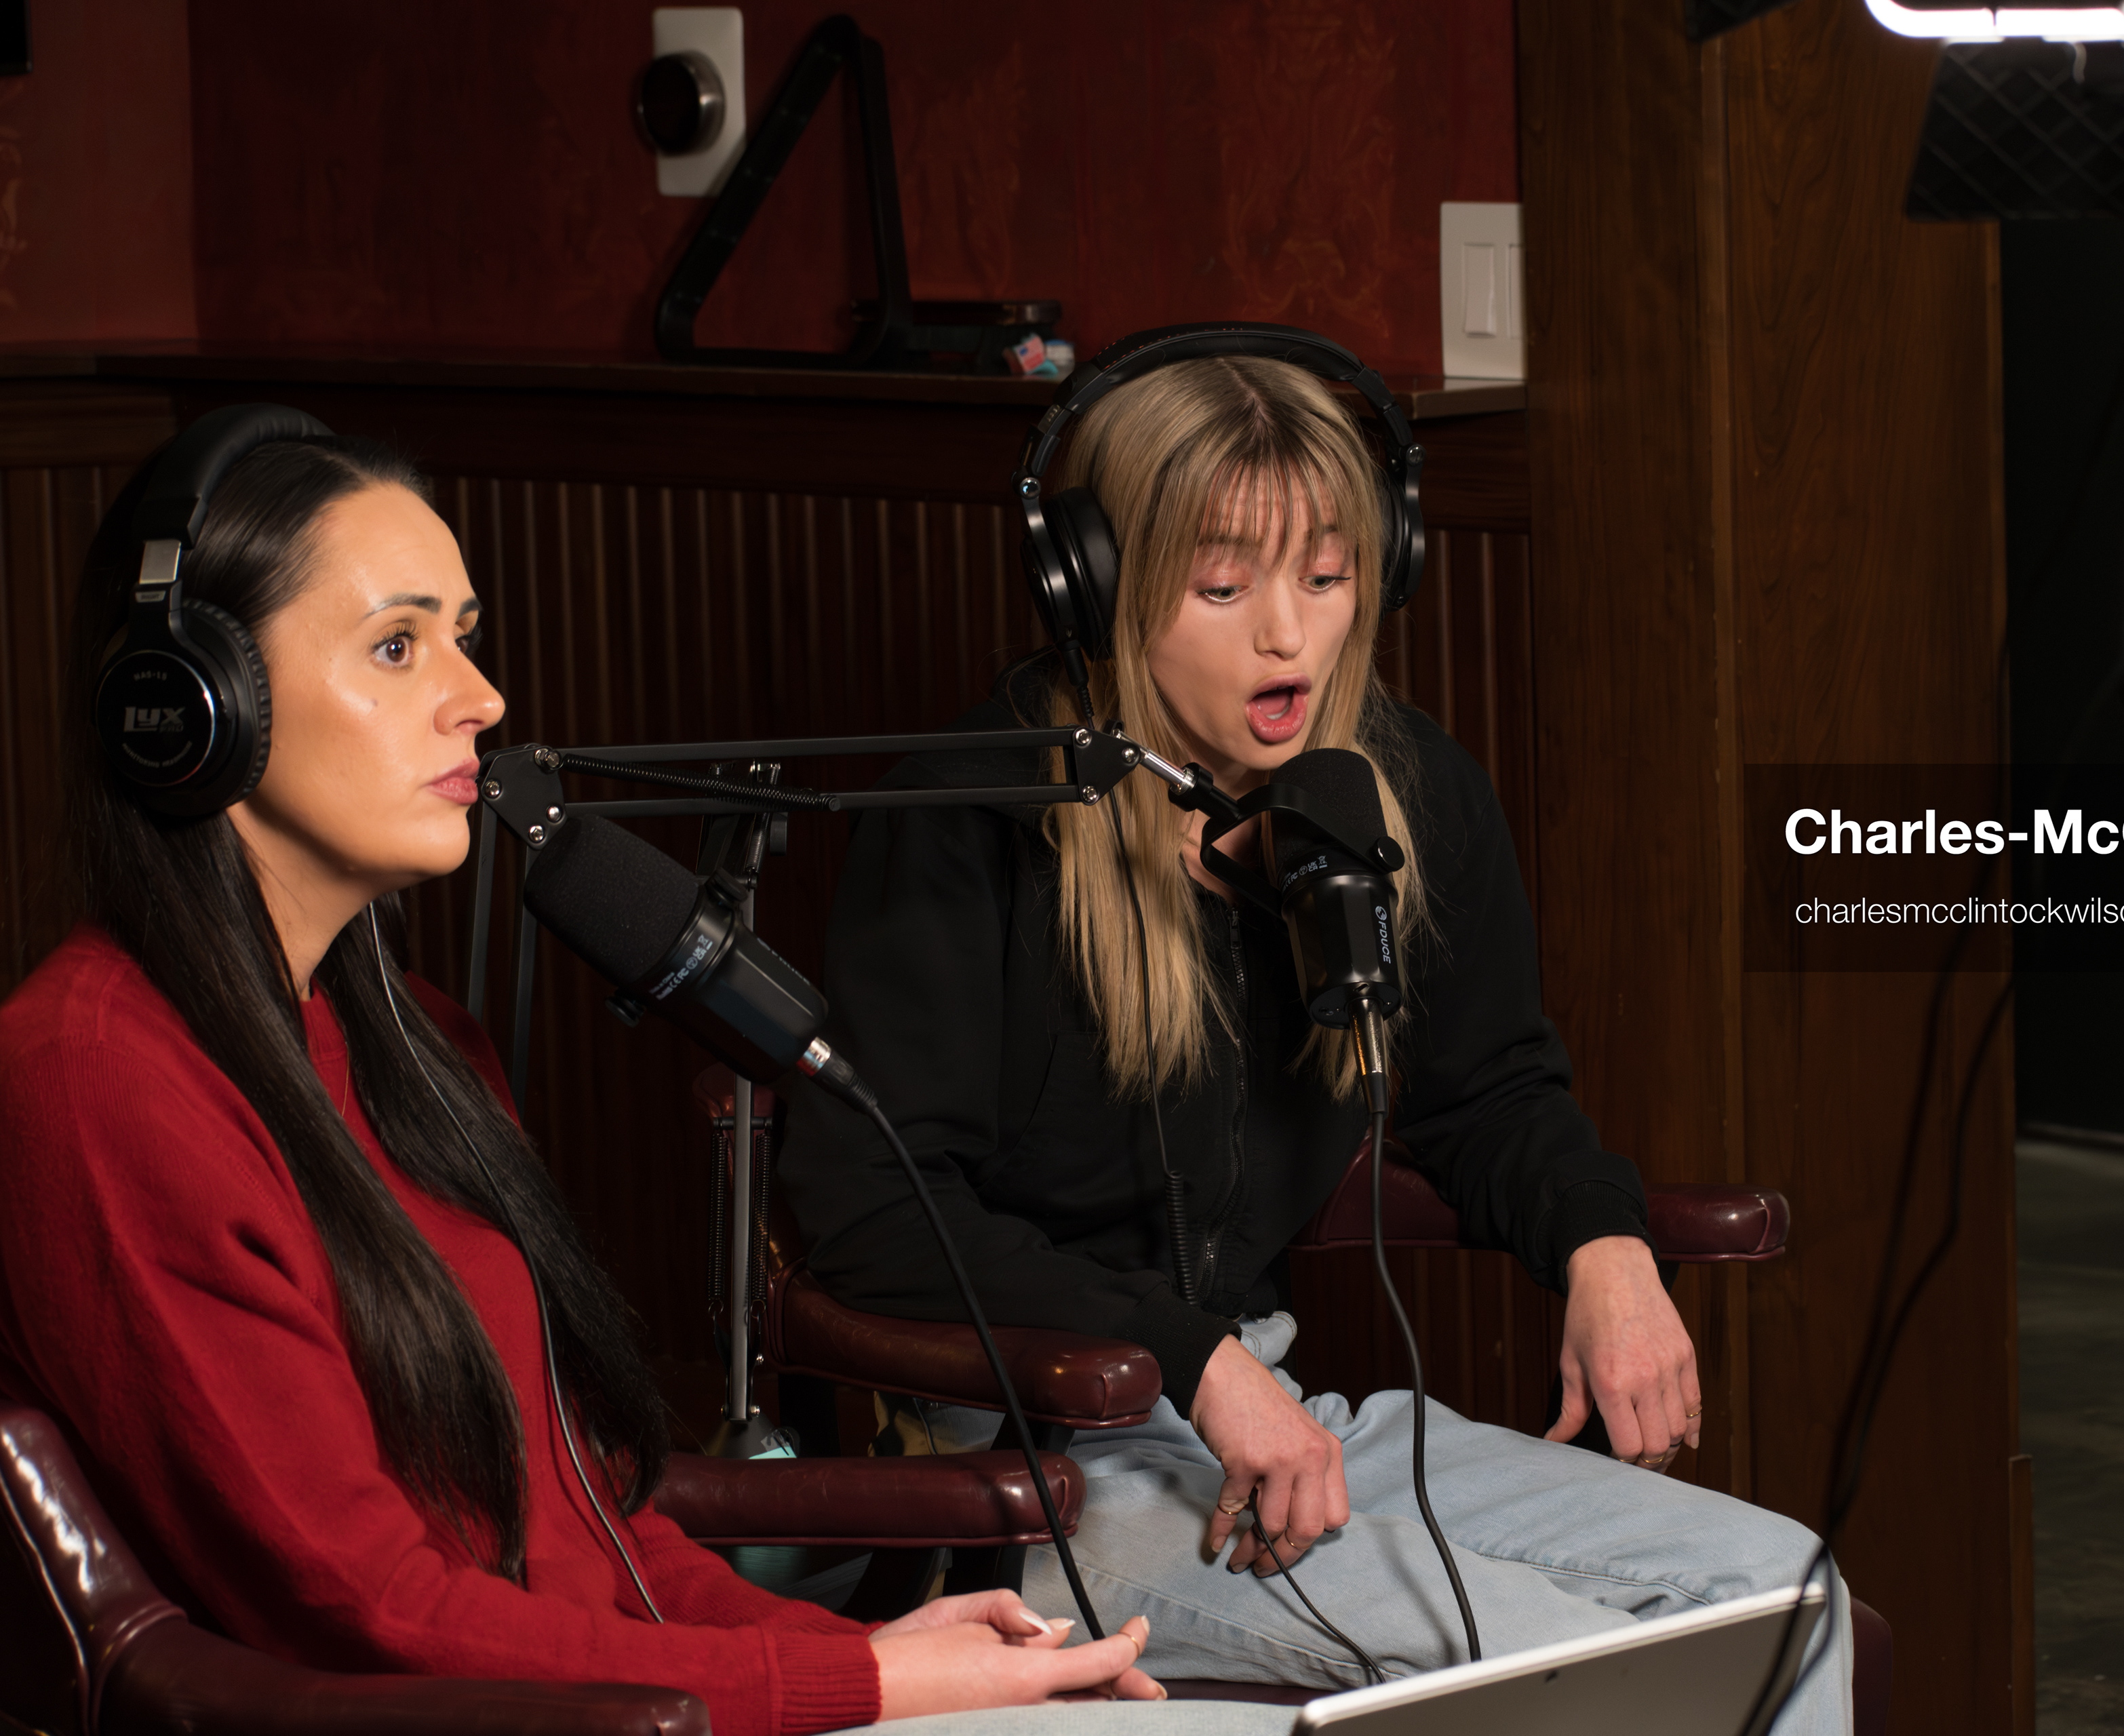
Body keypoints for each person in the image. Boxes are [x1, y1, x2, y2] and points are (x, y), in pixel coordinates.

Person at [0, 423, 1294, 1736]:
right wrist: (872, 1683)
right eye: (399, 646)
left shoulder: (417, 1041)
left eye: (464, 631)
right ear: (192, 709)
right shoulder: (98, 1079)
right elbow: (367, 1609)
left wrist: (859, 1648)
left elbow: (589, 1528)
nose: (483, 696)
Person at [776, 344, 1853, 1729]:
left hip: (1280, 1414)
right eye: (1222, 588)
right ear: (1095, 585)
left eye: (1328, 578)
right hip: (1044, 1457)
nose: (1287, 635)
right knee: (1568, 1670)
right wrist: (1190, 1355)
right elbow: (873, 1199)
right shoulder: (974, 817)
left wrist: (1605, 1243)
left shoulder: (1396, 793)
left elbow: (1491, 1092)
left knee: (1790, 1595)